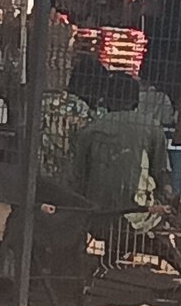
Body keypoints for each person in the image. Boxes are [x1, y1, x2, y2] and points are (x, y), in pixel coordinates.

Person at [70, 72, 172, 234]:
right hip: (139, 215)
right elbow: (161, 173)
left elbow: (78, 177)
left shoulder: (90, 129)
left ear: (106, 98)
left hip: (96, 214)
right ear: (136, 100)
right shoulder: (152, 127)